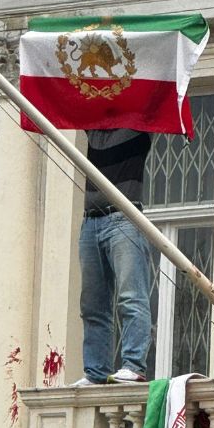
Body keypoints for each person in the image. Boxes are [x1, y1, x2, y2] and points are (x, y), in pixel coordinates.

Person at [71, 129, 154, 385]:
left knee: (131, 296)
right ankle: (96, 372)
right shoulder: (94, 128)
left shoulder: (137, 125)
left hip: (124, 216)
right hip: (90, 221)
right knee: (92, 305)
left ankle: (133, 365)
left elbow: (154, 111)